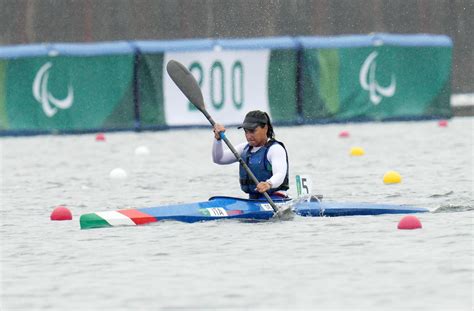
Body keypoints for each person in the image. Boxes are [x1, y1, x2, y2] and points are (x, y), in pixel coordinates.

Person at [212, 110, 289, 200]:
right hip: (253, 200)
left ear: (265, 128)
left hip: (276, 197)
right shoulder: (244, 149)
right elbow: (219, 159)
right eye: (246, 131)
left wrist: (268, 184)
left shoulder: (275, 149)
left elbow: (280, 174)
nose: (248, 136)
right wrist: (217, 139)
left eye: (252, 131)